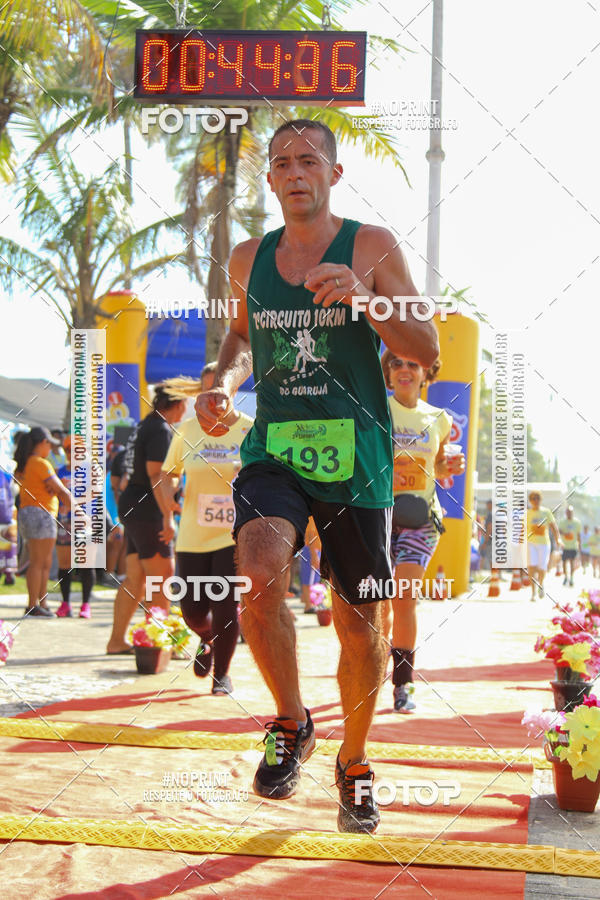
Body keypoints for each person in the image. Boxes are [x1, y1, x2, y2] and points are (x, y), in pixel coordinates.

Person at [194, 119, 439, 833]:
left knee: (360, 627)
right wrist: (222, 381)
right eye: (281, 163)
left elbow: (423, 347)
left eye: (309, 161)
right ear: (268, 181)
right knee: (260, 568)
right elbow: (240, 338)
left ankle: (354, 760)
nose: (295, 172)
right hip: (277, 446)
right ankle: (292, 720)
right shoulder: (248, 259)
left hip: (356, 455)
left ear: (334, 175)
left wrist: (368, 298)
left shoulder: (371, 245)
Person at [158, 365, 253, 694]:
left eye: (218, 389)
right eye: (205, 389)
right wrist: (169, 494)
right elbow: (169, 472)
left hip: (233, 533)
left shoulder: (248, 429)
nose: (212, 397)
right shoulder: (186, 429)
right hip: (193, 534)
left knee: (226, 604)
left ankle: (222, 675)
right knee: (192, 609)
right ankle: (206, 636)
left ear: (231, 391)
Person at [380, 350, 465, 712]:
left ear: (425, 373)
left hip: (420, 520)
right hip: (378, 516)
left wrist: (450, 465)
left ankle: (403, 685)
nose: (404, 369)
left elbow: (441, 464)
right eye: (396, 363)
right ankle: (375, 666)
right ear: (387, 373)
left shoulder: (439, 419)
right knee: (377, 606)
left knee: (403, 598)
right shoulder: (375, 409)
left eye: (412, 364)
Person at [106, 386, 187, 654]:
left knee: (136, 577)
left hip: (132, 504)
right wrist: (167, 516)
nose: (186, 410)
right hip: (147, 507)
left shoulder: (144, 425)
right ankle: (158, 643)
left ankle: (118, 641)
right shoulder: (160, 430)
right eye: (184, 404)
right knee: (161, 577)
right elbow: (156, 476)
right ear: (176, 405)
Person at [13, 426, 72, 617]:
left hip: (30, 513)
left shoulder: (25, 464)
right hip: (41, 513)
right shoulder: (40, 463)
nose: (51, 449)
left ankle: (41, 603)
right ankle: (33, 604)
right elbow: (60, 490)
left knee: (43, 562)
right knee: (39, 562)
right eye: (49, 444)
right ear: (43, 443)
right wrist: (75, 507)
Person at [55, 436, 95, 618]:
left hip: (86, 521)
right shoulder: (59, 472)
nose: (74, 453)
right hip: (64, 521)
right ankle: (65, 603)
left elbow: (96, 494)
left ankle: (86, 604)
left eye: (78, 449)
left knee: (87, 564)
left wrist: (75, 502)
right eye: (70, 449)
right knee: (65, 565)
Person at [526, 491, 561, 601]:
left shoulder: (546, 512)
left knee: (542, 568)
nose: (535, 501)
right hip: (530, 542)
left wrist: (558, 539)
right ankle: (533, 593)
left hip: (544, 544)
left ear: (540, 500)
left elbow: (553, 527)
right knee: (531, 567)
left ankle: (541, 584)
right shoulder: (527, 513)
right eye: (533, 498)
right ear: (530, 501)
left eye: (537, 498)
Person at [558, 505, 582, 587]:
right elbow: (559, 532)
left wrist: (580, 545)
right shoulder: (562, 522)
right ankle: (565, 577)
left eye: (570, 512)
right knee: (564, 562)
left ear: (573, 513)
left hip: (573, 546)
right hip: (564, 546)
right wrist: (565, 534)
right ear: (566, 513)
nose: (569, 513)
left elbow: (578, 535)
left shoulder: (577, 522)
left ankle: (571, 577)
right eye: (568, 512)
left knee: (572, 562)